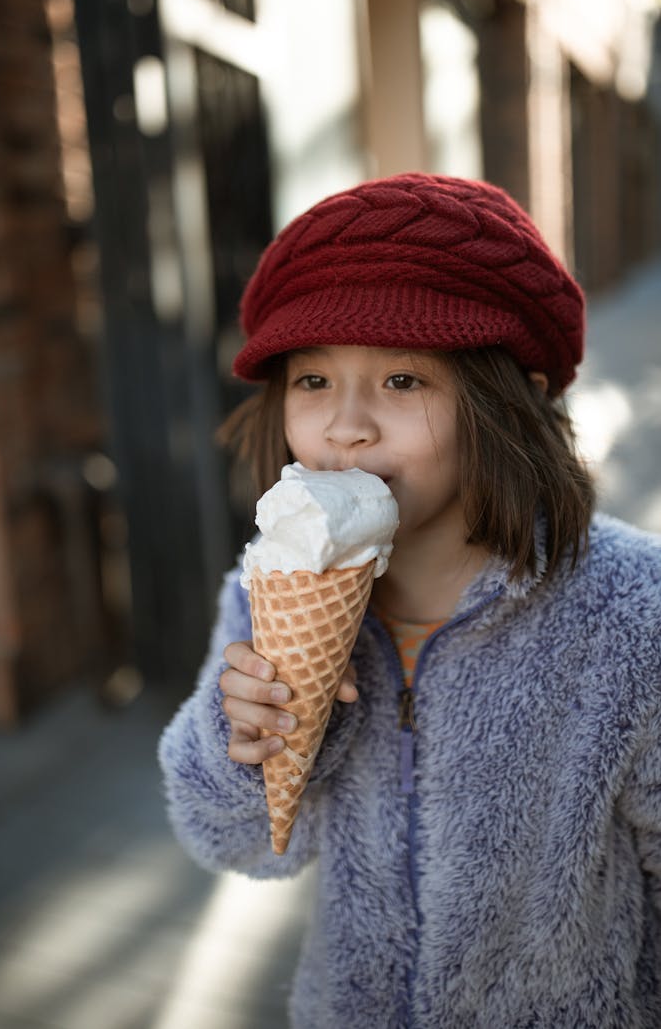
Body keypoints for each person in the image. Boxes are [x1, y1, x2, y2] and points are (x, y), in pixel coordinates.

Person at [159, 173, 661, 1027]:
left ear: (510, 400)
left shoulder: (632, 616)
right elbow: (237, 843)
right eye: (312, 380)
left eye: (402, 381)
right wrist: (238, 743)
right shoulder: (263, 594)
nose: (346, 425)